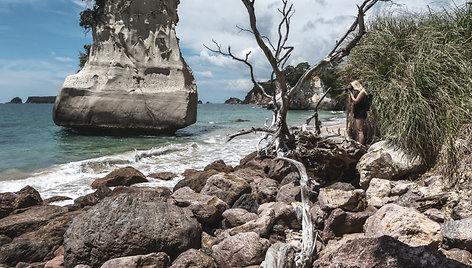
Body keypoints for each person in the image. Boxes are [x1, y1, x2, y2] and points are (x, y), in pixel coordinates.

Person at [348, 80, 367, 144]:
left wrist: (351, 94)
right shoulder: (357, 93)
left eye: (352, 86)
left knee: (360, 130)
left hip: (361, 112)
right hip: (357, 112)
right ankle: (359, 142)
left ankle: (360, 144)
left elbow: (356, 101)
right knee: (358, 129)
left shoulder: (362, 92)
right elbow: (351, 101)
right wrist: (350, 94)